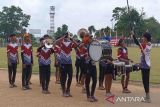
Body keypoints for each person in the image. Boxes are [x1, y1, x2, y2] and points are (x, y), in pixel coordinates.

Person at [133, 32, 152, 103]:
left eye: (143, 37)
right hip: (146, 65)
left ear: (146, 38)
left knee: (145, 82)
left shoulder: (144, 45)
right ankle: (147, 97)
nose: (142, 38)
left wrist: (133, 35)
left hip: (145, 66)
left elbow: (136, 42)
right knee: (146, 81)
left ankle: (148, 98)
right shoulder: (149, 44)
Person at [59, 32, 77, 97]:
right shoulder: (61, 43)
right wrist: (63, 36)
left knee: (70, 76)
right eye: (66, 36)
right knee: (63, 77)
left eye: (67, 36)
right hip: (63, 63)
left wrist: (71, 39)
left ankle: (68, 90)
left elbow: (76, 45)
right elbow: (55, 42)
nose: (67, 37)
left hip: (69, 63)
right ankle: (64, 91)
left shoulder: (70, 43)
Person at [82, 34, 98, 102]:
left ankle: (92, 95)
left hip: (93, 64)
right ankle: (88, 96)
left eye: (91, 37)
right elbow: (84, 56)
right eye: (90, 38)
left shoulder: (93, 46)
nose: (92, 39)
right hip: (88, 65)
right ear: (87, 39)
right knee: (88, 80)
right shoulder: (85, 46)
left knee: (95, 80)